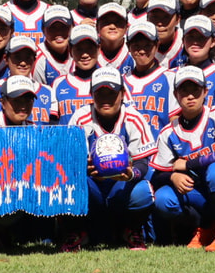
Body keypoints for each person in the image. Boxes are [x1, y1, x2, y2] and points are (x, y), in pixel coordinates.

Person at [150, 66, 215, 251]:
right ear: (175, 94)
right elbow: (157, 175)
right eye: (184, 90)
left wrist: (188, 164)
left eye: (195, 90)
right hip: (203, 196)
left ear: (205, 91)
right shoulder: (168, 132)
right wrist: (173, 176)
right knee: (163, 198)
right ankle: (206, 227)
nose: (190, 96)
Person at [68, 66, 158, 250]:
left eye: (111, 93)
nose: (105, 100)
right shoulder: (80, 118)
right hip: (92, 184)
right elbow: (70, 162)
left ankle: (131, 230)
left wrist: (130, 174)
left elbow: (143, 162)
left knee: (143, 191)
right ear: (91, 95)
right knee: (69, 184)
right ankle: (78, 232)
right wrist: (85, 169)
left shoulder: (134, 118)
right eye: (100, 93)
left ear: (123, 94)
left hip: (121, 184)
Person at [123, 20, 175, 136]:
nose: (142, 51)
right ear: (128, 47)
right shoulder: (121, 82)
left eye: (147, 46)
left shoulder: (170, 78)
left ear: (157, 45)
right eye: (136, 46)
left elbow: (175, 121)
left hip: (161, 150)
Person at [51, 23, 102, 125]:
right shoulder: (59, 83)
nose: (85, 55)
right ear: (70, 51)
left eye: (89, 48)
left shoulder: (110, 79)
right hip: (67, 140)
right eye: (79, 49)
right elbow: (53, 123)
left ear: (99, 49)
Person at [36, 5, 75, 85]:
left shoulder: (80, 51)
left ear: (72, 27)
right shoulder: (37, 58)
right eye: (52, 28)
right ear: (43, 30)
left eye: (63, 27)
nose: (58, 33)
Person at [146, 0, 184, 69]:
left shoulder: (188, 44)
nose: (160, 23)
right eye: (155, 17)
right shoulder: (138, 46)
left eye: (166, 17)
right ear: (147, 19)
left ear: (178, 19)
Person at [96, 2, 134, 73]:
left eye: (118, 22)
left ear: (127, 27)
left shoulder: (134, 52)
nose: (112, 27)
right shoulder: (89, 52)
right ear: (97, 26)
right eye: (106, 22)